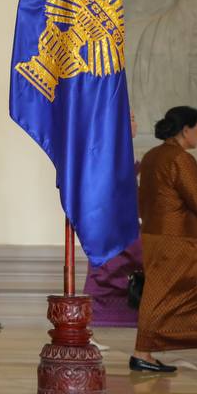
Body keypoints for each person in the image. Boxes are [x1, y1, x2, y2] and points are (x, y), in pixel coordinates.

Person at [130, 106, 197, 373]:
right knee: (162, 294)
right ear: (186, 130)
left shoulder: (152, 156)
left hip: (154, 235)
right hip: (175, 239)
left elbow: (142, 198)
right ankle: (142, 353)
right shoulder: (181, 159)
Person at [85, 111, 142, 327]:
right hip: (112, 226)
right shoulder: (109, 153)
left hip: (126, 223)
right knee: (107, 271)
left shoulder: (121, 151)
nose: (136, 124)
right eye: (131, 119)